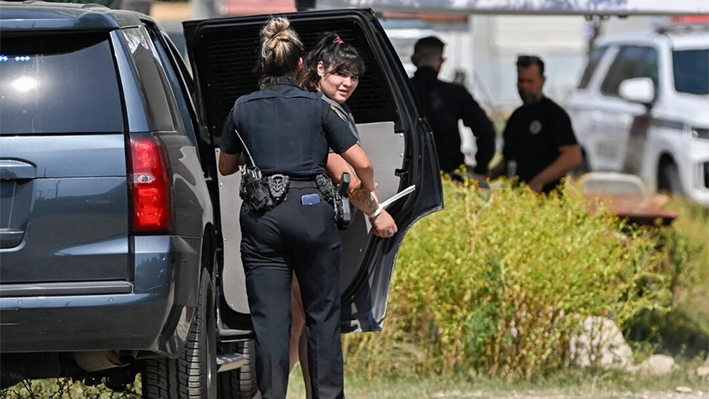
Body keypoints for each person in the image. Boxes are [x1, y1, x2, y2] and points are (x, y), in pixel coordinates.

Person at [218, 17, 390, 399]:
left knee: (270, 321)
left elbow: (225, 167)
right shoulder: (318, 106)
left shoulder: (243, 107)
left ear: (263, 65)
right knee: (321, 315)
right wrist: (364, 186)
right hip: (312, 214)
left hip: (262, 220)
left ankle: (272, 394)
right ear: (301, 65)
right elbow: (359, 161)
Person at [287, 32, 399, 398]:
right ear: (319, 70)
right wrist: (375, 212)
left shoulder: (322, 105)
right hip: (309, 227)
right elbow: (344, 173)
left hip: (297, 223)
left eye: (353, 76)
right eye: (339, 74)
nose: (347, 82)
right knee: (304, 320)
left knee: (300, 320)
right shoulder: (320, 109)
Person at [488, 54, 582, 193]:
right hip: (516, 197)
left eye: (530, 81)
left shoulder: (553, 114)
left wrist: (540, 180)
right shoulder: (517, 117)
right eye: (521, 81)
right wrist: (487, 176)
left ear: (542, 81)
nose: (525, 86)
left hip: (546, 198)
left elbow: (573, 156)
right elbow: (509, 159)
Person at [409, 36, 496, 182]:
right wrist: (480, 168)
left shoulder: (401, 93)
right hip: (450, 175)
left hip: (409, 176)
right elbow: (486, 131)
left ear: (413, 60)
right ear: (440, 62)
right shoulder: (455, 93)